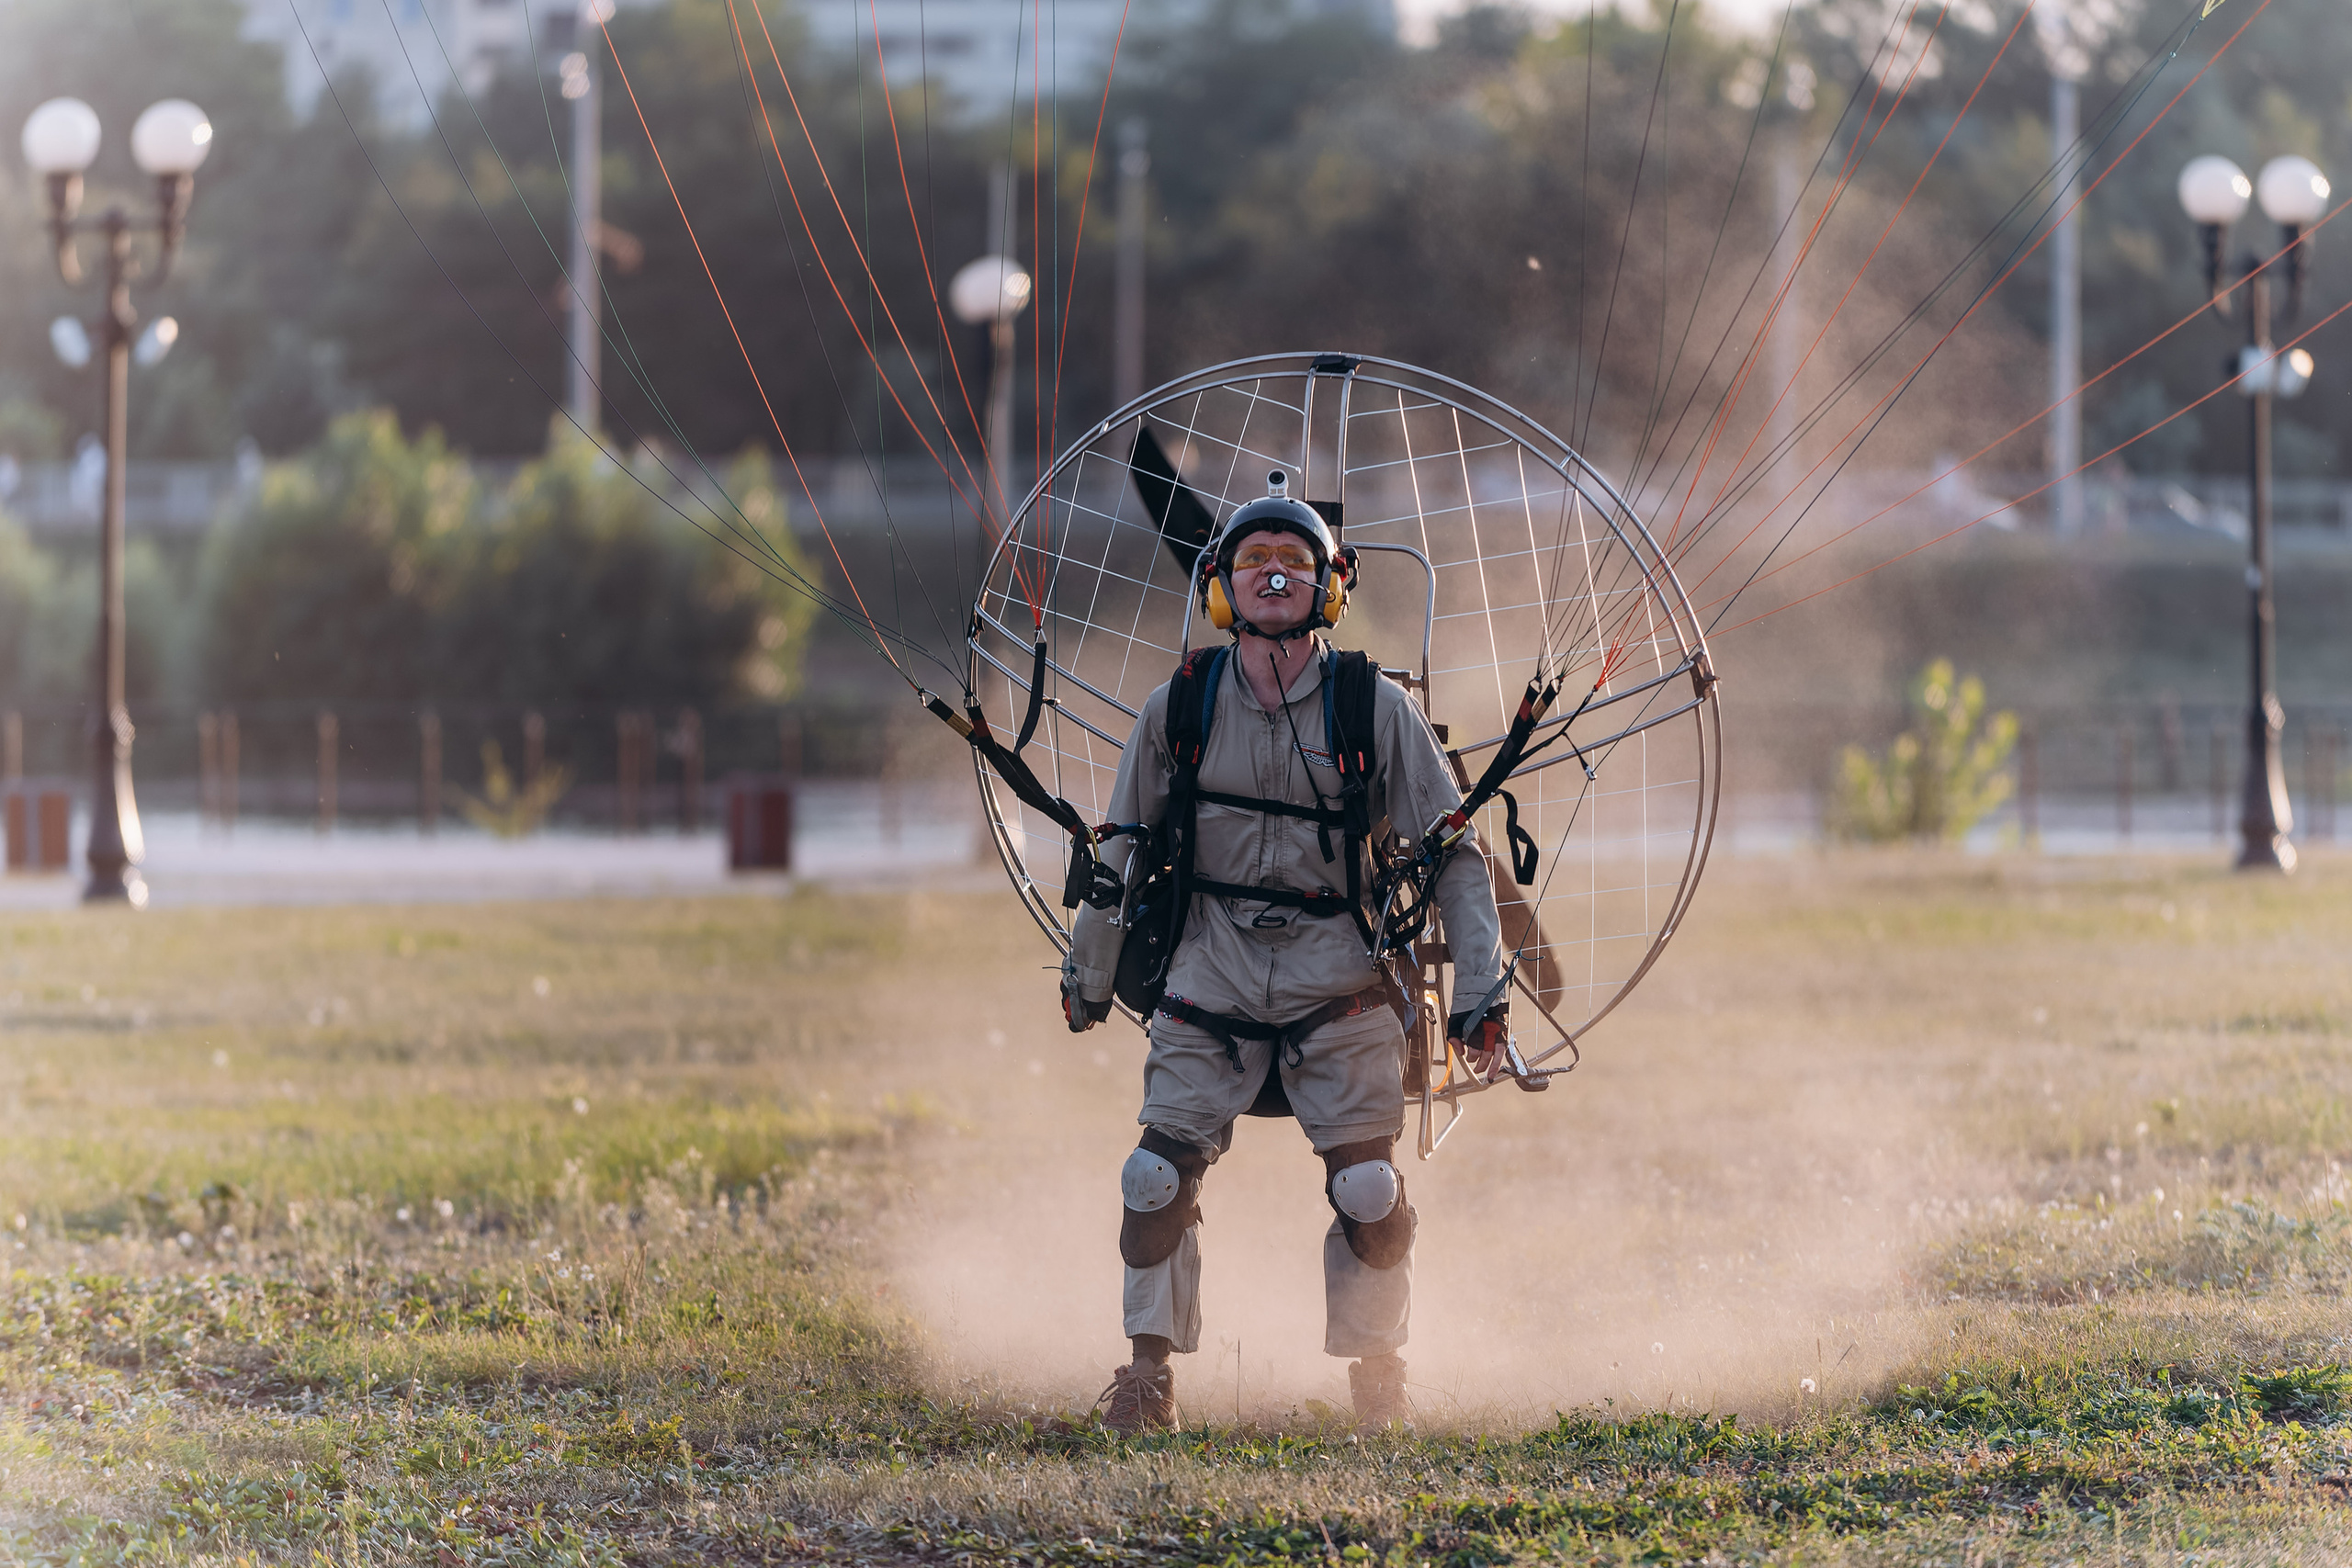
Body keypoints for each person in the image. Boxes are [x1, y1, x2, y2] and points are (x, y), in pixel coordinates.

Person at [1060, 471, 1510, 1433]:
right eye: (1253, 561)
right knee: (1153, 1175)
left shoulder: (1371, 706)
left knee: (1368, 1185)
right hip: (1210, 966)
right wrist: (1087, 971)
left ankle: (1376, 1375)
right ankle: (1146, 1378)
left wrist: (1481, 993)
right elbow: (1118, 853)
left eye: (1293, 563)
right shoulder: (1177, 704)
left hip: (1337, 974)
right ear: (1221, 586)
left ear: (1328, 588)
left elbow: (1455, 856)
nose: (1273, 577)